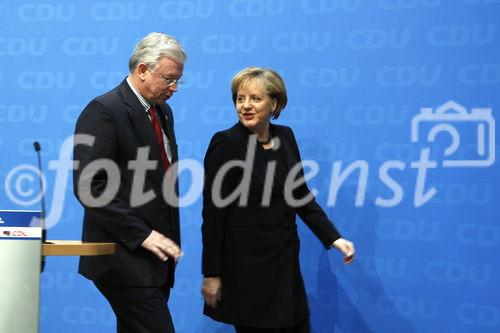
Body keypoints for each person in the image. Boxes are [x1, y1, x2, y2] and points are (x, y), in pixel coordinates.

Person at [201, 67, 355, 332]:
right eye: (240, 98)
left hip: (285, 267)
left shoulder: (285, 136)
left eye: (255, 98)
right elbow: (214, 216)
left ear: (275, 103)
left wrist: (333, 237)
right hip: (247, 270)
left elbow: (300, 195)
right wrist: (212, 273)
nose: (246, 106)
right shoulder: (226, 143)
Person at [73, 32, 186, 333]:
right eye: (169, 79)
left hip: (155, 261)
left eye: (178, 80)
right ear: (142, 70)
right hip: (124, 257)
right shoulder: (104, 111)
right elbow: (89, 186)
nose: (174, 88)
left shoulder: (163, 111)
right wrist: (142, 234)